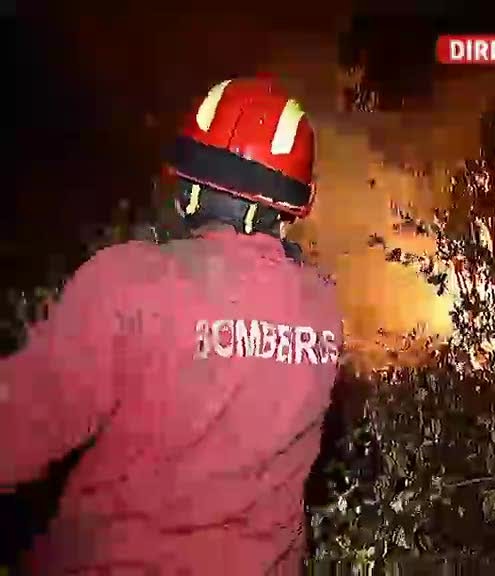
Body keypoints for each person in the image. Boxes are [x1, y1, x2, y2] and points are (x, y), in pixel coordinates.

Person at [0, 77, 342, 575]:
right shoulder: (322, 308)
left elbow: (19, 428)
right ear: (292, 208)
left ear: (188, 185)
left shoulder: (130, 281)